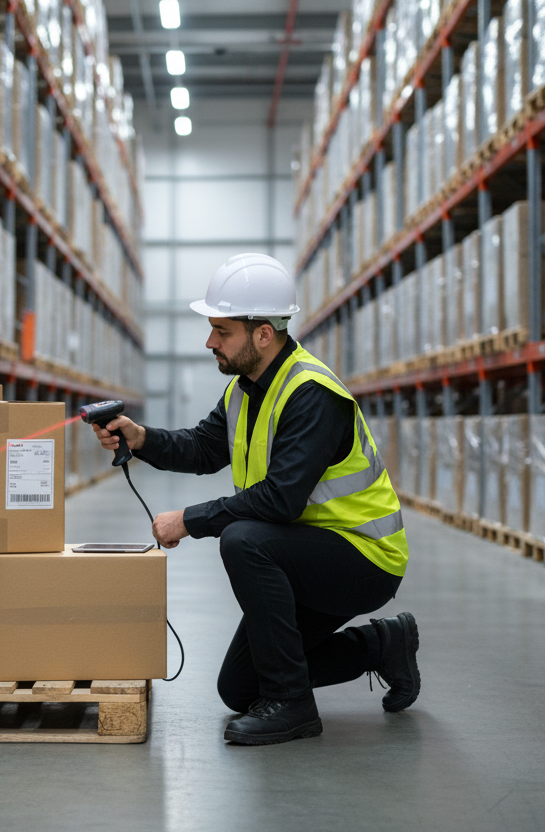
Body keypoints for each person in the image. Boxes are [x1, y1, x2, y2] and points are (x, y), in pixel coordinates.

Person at [90, 253, 419, 746]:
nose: (209, 341)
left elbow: (281, 500)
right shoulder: (246, 389)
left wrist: (190, 519)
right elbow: (203, 447)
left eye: (222, 331)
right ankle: (381, 644)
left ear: (263, 333)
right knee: (239, 687)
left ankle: (294, 708)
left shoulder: (313, 394)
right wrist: (140, 438)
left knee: (244, 540)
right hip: (307, 551)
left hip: (363, 557)